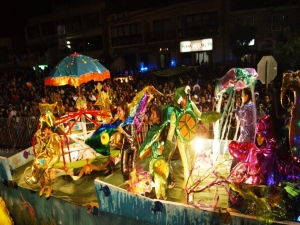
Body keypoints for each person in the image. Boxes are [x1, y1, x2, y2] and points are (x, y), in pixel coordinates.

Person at [228, 114, 280, 186]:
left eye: (261, 136)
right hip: (250, 186)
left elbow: (274, 174)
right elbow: (233, 147)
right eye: (257, 136)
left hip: (266, 188)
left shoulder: (271, 154)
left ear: (266, 137)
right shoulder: (252, 150)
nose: (258, 139)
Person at [139, 104, 175, 199]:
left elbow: (170, 143)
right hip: (154, 159)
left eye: (153, 114)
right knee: (152, 178)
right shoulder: (153, 129)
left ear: (159, 116)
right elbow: (147, 143)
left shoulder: (165, 127)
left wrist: (163, 147)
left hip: (162, 160)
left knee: (160, 181)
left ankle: (161, 197)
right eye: (151, 114)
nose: (151, 116)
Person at [24, 111, 63, 198]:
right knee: (37, 163)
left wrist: (50, 161)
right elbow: (43, 146)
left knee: (45, 167)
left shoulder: (55, 136)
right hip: (47, 155)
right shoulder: (47, 136)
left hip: (54, 156)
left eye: (45, 129)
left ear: (49, 128)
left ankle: (49, 187)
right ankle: (43, 186)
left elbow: (56, 152)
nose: (43, 131)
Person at [116, 101, 139, 180]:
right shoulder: (118, 123)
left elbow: (132, 140)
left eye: (119, 111)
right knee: (124, 171)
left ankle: (135, 186)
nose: (118, 113)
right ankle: (129, 185)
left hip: (133, 147)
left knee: (133, 170)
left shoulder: (131, 122)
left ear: (124, 111)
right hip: (125, 147)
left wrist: (122, 132)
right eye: (117, 111)